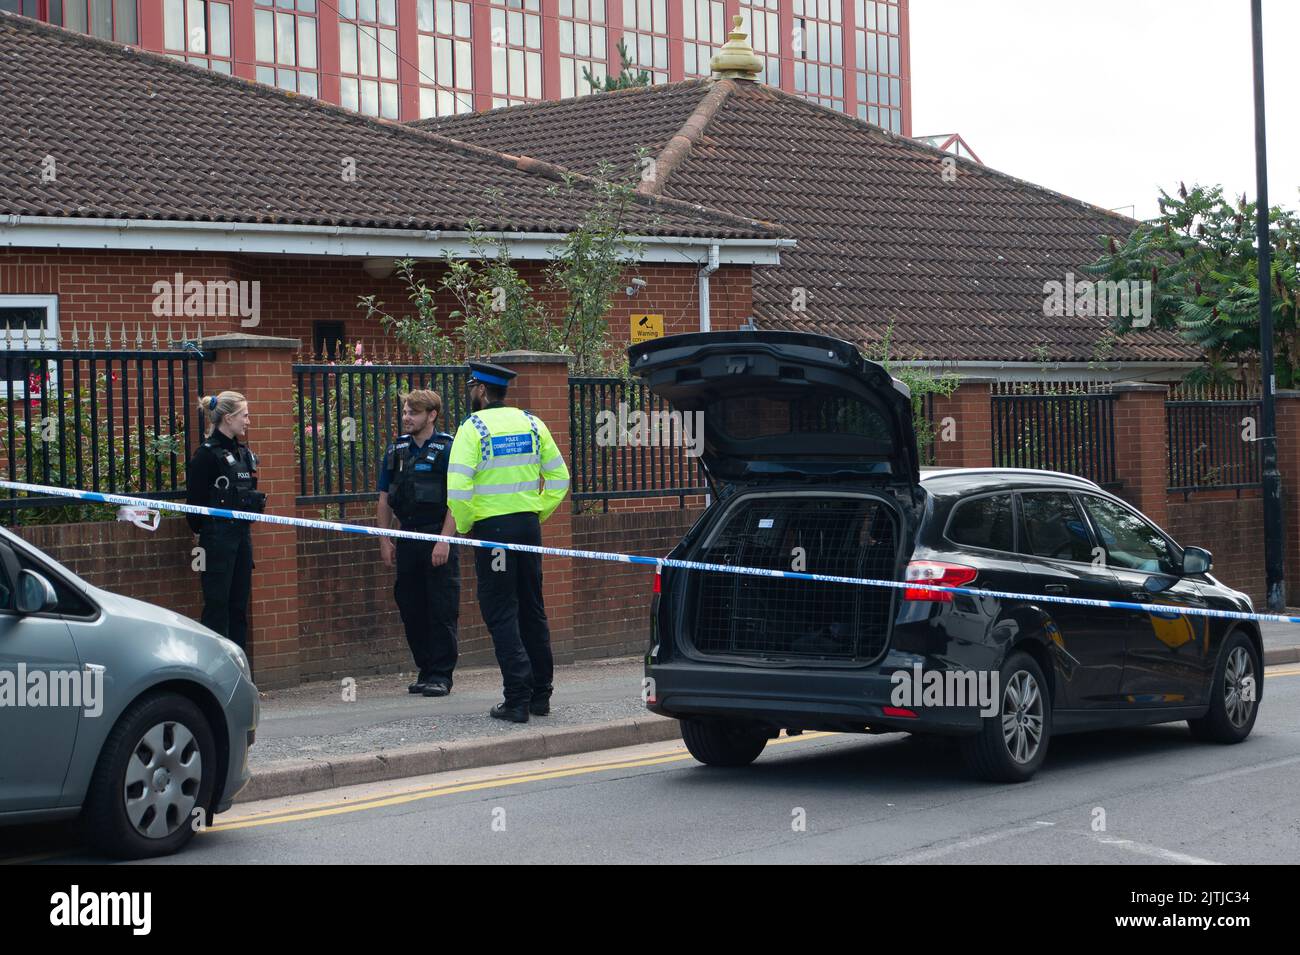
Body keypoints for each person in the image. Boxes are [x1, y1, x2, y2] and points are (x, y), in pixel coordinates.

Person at [447, 362, 570, 722]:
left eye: (473, 388)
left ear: (482, 391)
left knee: (502, 610)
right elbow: (559, 478)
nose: (471, 393)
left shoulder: (473, 428)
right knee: (532, 606)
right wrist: (537, 513)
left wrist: (468, 524)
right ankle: (540, 695)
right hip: (528, 530)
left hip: (493, 534)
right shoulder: (533, 423)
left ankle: (516, 698)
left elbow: (458, 488)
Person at [378, 390, 460, 697]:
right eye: (404, 412)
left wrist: (444, 540)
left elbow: (457, 498)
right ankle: (425, 669)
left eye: (413, 412)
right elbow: (384, 498)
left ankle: (441, 674)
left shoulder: (448, 449)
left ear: (432, 415)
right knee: (411, 607)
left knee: (441, 608)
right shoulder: (396, 450)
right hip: (407, 537)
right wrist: (384, 538)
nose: (406, 418)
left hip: (436, 536)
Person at [186, 391, 266, 650]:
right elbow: (195, 507)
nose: (248, 421)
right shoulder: (206, 455)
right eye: (244, 415)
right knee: (217, 609)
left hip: (241, 539)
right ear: (228, 418)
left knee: (238, 608)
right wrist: (206, 533)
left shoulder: (243, 454)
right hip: (216, 541)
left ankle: (238, 674)